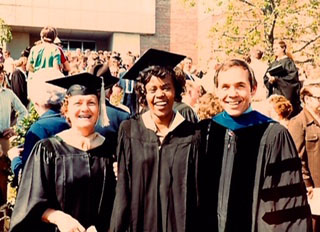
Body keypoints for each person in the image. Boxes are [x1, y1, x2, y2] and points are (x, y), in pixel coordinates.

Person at [198, 59, 311, 231]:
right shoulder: (204, 132)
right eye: (225, 86)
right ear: (217, 90)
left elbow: (286, 205)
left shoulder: (274, 135)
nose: (232, 94)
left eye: (240, 86)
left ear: (253, 89)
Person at [9, 72, 119, 232]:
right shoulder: (48, 150)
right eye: (78, 103)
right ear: (66, 110)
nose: (85, 108)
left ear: (99, 109)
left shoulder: (111, 151)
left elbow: (120, 202)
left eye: (91, 103)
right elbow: (29, 203)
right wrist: (58, 217)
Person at [110, 49, 201, 231]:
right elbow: (123, 191)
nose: (159, 95)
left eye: (166, 88)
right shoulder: (129, 130)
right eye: (152, 89)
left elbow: (198, 193)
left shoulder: (193, 134)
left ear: (175, 91)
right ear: (144, 93)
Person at [9, 68, 70, 178]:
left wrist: (15, 159)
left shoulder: (38, 129)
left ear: (35, 98)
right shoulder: (71, 120)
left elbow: (27, 177)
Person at [288, 78, 320, 231]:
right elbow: (296, 158)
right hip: (314, 187)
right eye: (319, 98)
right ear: (307, 99)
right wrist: (307, 183)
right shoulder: (298, 123)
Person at [264, 40, 301, 118]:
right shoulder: (273, 63)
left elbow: (292, 79)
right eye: (274, 49)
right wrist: (270, 80)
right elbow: (266, 77)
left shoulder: (288, 63)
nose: (274, 50)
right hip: (275, 93)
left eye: (276, 48)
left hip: (285, 94)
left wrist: (277, 80)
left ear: (283, 48)